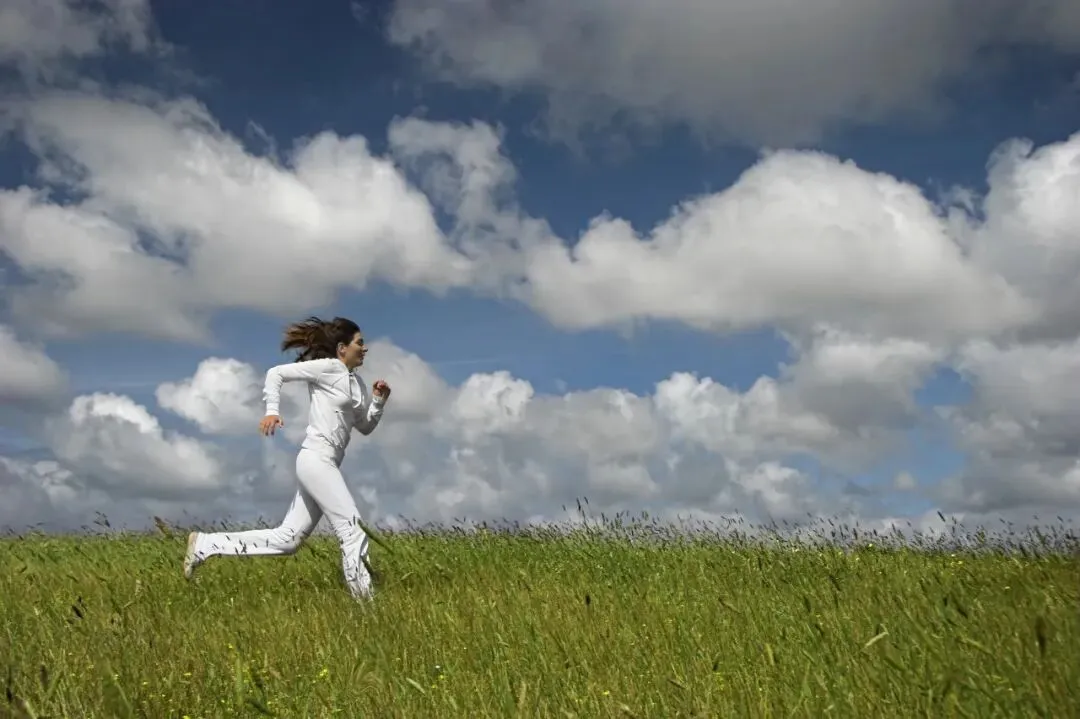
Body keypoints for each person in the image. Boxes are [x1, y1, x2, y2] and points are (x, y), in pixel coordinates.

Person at [182, 316, 392, 601]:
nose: (364, 349)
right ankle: (367, 607)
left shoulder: (358, 383)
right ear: (342, 348)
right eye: (360, 343)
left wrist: (378, 402)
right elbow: (276, 373)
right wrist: (271, 410)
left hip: (328, 463)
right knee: (352, 530)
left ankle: (206, 544)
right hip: (315, 459)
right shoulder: (328, 368)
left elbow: (365, 427)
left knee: (289, 539)